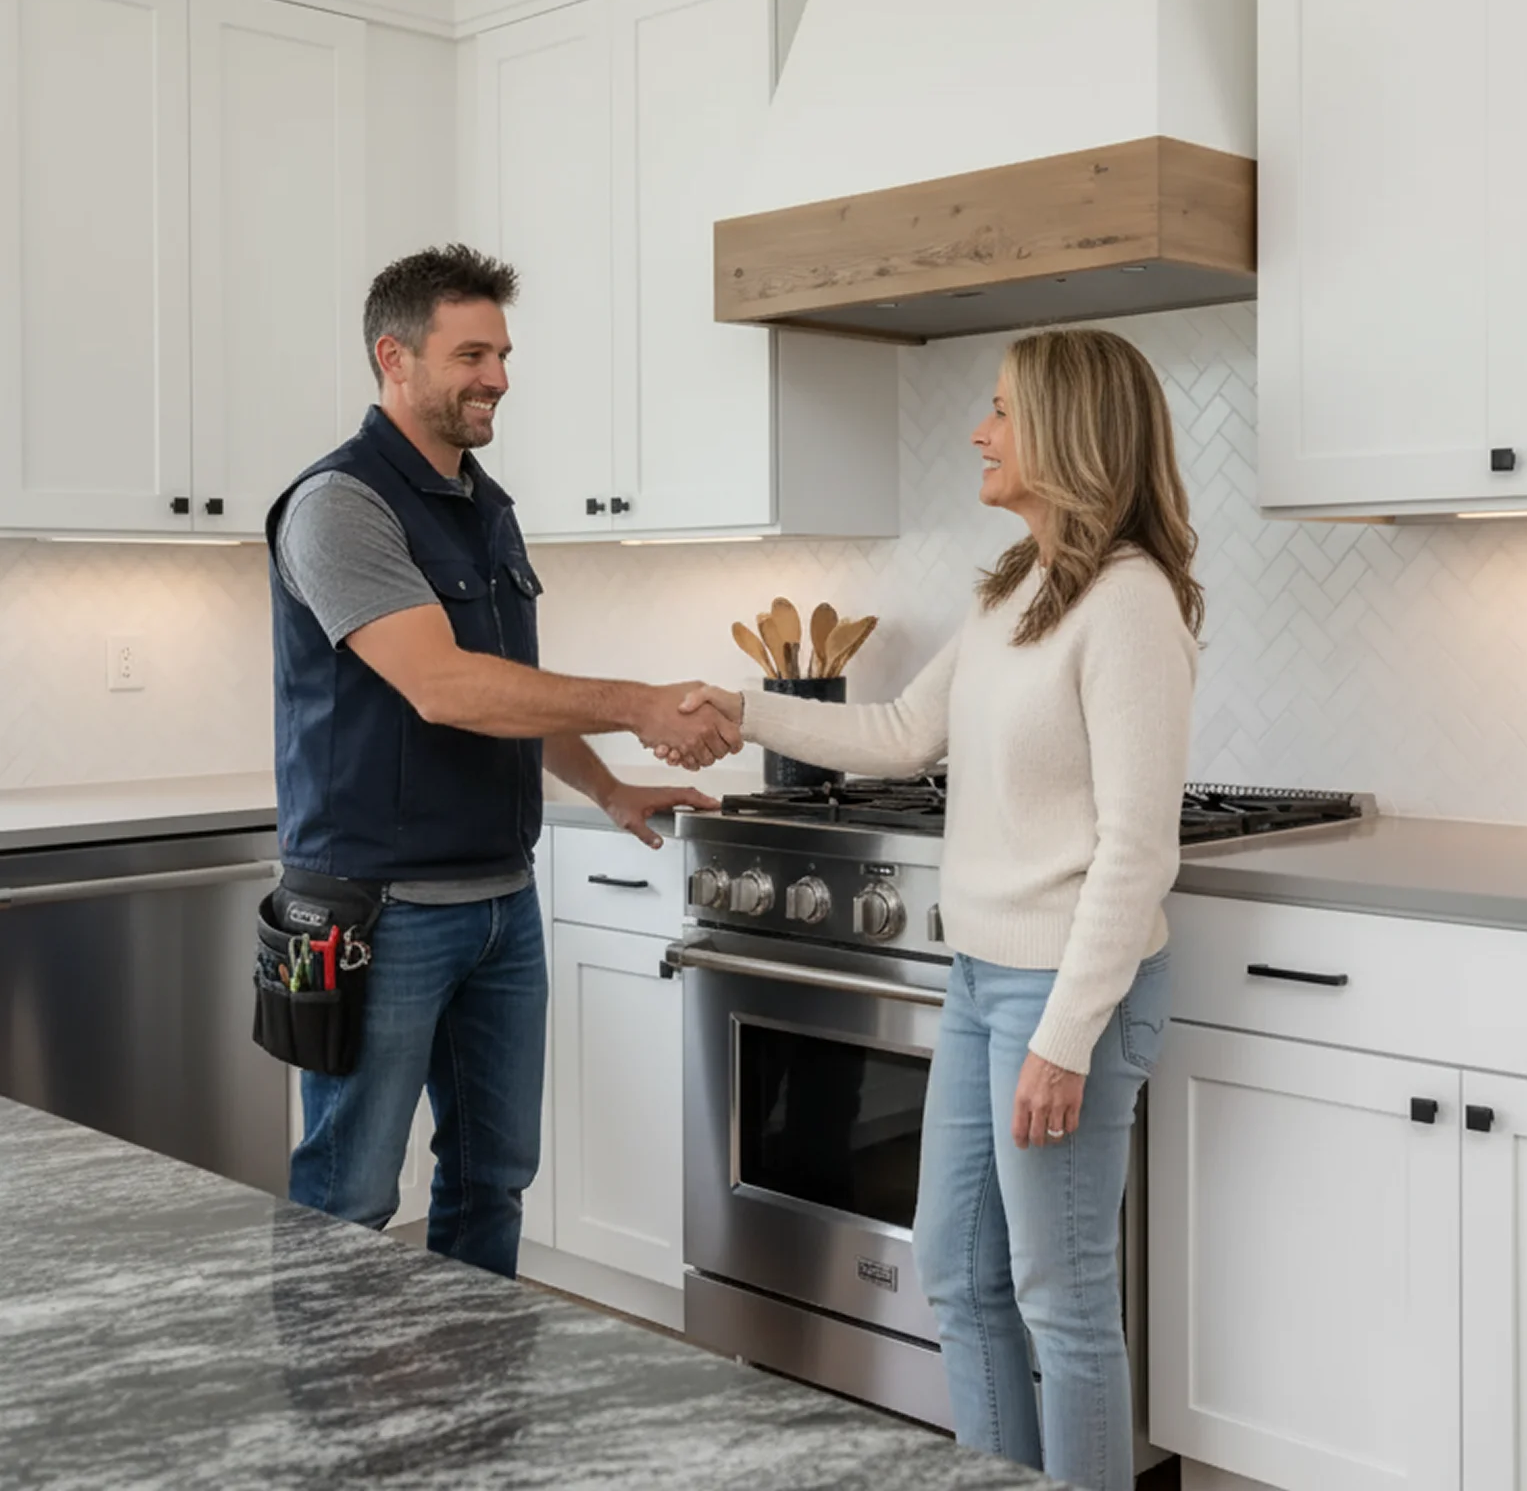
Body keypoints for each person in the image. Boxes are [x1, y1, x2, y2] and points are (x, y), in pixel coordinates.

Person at [668, 328, 1201, 1490]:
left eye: (1002, 409)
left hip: (1067, 994)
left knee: (1059, 1300)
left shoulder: (1127, 603)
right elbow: (902, 733)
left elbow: (1136, 848)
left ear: (1067, 432)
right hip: (977, 981)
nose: (978, 428)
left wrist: (1063, 1038)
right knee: (958, 1276)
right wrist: (741, 707)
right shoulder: (1019, 588)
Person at [267, 244, 741, 1279]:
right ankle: (317, 1427)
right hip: (377, 910)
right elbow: (444, 685)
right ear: (395, 359)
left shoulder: (485, 505)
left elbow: (503, 687)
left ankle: (469, 1417)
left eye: (505, 353)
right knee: (348, 1191)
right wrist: (637, 703)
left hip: (497, 906)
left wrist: (608, 786)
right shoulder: (339, 505)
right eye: (472, 353)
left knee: (494, 1178)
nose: (499, 376)